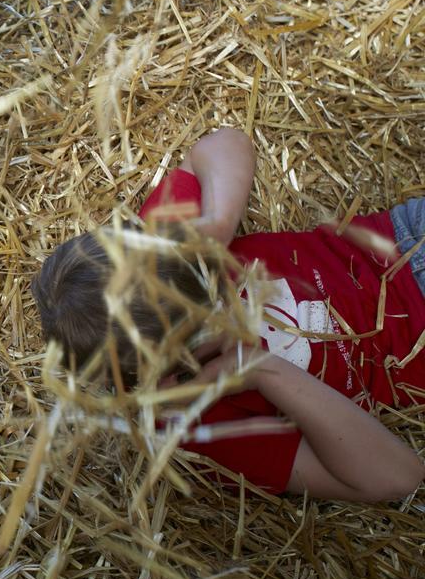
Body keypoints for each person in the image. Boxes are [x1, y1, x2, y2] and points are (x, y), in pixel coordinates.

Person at [32, 128, 425, 503]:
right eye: (207, 318)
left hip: (404, 238)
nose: (223, 304)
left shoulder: (166, 248)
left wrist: (218, 223)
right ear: (161, 371)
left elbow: (227, 143)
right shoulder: (196, 422)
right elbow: (398, 476)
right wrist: (260, 369)